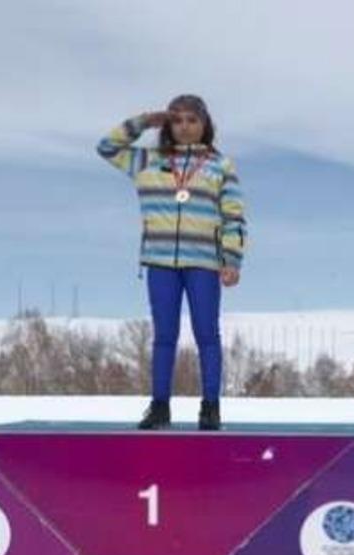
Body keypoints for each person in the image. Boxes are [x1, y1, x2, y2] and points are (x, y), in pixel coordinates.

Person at [98, 95, 247, 430]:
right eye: (176, 120)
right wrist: (143, 121)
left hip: (204, 263)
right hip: (160, 261)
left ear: (205, 124)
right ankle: (159, 406)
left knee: (207, 334)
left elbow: (233, 215)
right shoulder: (148, 162)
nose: (184, 126)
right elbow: (106, 147)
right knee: (164, 335)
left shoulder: (220, 166)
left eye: (192, 119)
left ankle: (210, 408)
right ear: (168, 125)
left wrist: (232, 258)